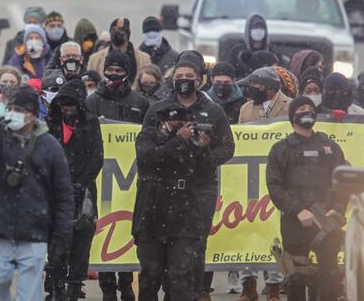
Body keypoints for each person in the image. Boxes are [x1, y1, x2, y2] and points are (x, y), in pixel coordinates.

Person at [134, 59, 235, 301]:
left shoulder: (213, 110)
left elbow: (227, 148)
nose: (184, 80)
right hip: (159, 194)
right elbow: (147, 152)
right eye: (179, 75)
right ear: (172, 79)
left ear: (200, 79)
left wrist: (204, 152)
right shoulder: (158, 109)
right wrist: (172, 136)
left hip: (196, 191)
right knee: (152, 271)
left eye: (190, 76)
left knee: (186, 265)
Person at [0, 87, 74, 301]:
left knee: (29, 296)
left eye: (21, 109)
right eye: (12, 108)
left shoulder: (50, 146)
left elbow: (63, 193)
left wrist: (62, 235)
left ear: (34, 114)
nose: (15, 113)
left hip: (33, 232)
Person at [266, 96, 348, 301]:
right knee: (296, 277)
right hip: (295, 222)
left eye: (310, 108)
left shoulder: (330, 147)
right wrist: (297, 210)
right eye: (301, 108)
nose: (306, 112)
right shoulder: (281, 149)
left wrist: (337, 210)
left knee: (329, 276)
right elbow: (275, 186)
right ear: (292, 116)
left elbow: (343, 181)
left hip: (327, 220)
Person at [46, 79, 104, 301]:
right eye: (63, 105)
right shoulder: (50, 123)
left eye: (70, 105)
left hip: (84, 189)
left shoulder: (91, 124)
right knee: (56, 239)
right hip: (56, 190)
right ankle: (56, 286)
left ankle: (74, 286)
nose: (66, 110)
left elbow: (97, 158)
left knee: (81, 239)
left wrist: (80, 185)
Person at [236, 66, 290, 299]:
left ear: (269, 88)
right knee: (247, 231)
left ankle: (274, 286)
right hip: (250, 179)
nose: (251, 89)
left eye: (255, 85)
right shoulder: (246, 108)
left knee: (274, 233)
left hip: (279, 180)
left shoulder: (290, 106)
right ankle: (248, 284)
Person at [86, 50, 150, 124]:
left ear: (126, 73)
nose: (113, 74)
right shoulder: (91, 102)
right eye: (110, 70)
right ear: (104, 71)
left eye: (119, 70)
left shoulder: (140, 102)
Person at [87, 18, 151, 86]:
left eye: (120, 29)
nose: (116, 32)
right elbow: (90, 86)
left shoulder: (144, 60)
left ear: (127, 33)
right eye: (114, 29)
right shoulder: (94, 60)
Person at [228, 13, 278, 79]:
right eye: (255, 27)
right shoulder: (236, 51)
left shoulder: (273, 51)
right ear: (248, 30)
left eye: (261, 27)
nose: (258, 30)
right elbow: (232, 74)